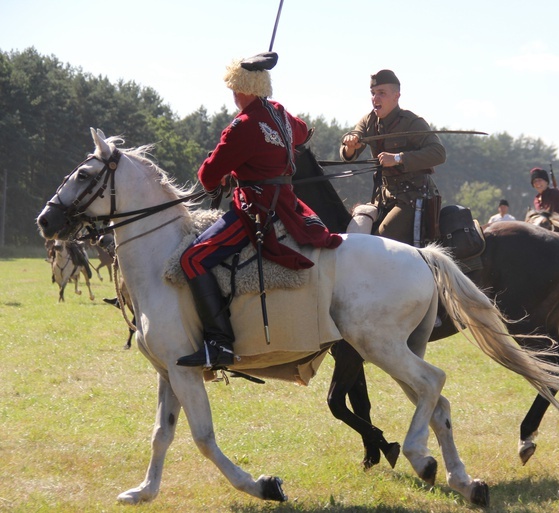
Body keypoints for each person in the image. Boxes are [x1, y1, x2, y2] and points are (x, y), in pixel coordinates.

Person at [176, 52, 343, 368]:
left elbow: (208, 177)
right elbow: (304, 131)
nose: (232, 96)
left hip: (256, 209)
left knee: (192, 258)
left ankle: (219, 343)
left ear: (243, 89)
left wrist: (229, 168)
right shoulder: (279, 113)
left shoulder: (242, 126)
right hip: (289, 206)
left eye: (234, 90)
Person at [340, 69, 445, 246]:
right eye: (373, 93)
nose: (375, 98)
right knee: (352, 235)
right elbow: (350, 148)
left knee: (381, 241)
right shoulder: (369, 121)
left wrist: (398, 158)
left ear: (396, 96)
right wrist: (350, 145)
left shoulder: (412, 122)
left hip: (413, 197)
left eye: (382, 93)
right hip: (383, 198)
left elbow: (439, 153)